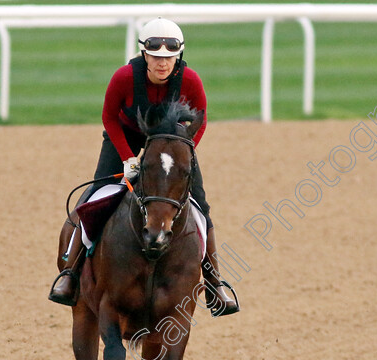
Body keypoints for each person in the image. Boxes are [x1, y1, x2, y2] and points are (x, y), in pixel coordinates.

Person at [48, 17, 239, 317]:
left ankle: (215, 281)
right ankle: (70, 273)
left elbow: (200, 122)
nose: (162, 64)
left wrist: (182, 155)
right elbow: (109, 118)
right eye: (155, 57)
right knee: (99, 193)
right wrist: (127, 158)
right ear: (143, 55)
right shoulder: (124, 78)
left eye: (168, 58)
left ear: (178, 57)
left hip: (171, 144)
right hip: (125, 138)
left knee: (200, 204)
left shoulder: (191, 81)